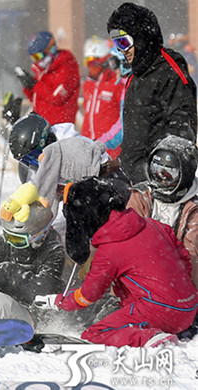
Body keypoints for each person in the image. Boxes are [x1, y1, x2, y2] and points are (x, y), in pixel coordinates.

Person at [35, 177, 198, 347]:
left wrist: (57, 301)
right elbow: (184, 257)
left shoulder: (110, 250)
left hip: (162, 312)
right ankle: (151, 325)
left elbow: (88, 296)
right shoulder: (152, 224)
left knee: (94, 334)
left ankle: (149, 337)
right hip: (190, 306)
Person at [107, 2, 197, 183]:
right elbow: (137, 132)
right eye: (117, 43)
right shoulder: (138, 73)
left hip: (159, 183)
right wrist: (123, 162)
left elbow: (182, 132)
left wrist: (159, 176)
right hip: (135, 178)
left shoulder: (169, 71)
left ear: (141, 38)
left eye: (124, 42)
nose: (121, 50)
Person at [127, 135, 198, 287]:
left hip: (179, 282)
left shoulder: (193, 207)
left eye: (169, 174)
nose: (162, 179)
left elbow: (191, 254)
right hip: (138, 276)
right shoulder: (141, 195)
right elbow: (127, 239)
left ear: (185, 173)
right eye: (157, 171)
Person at [14, 31, 80, 125]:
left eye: (38, 55)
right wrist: (28, 86)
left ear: (50, 49)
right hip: (43, 124)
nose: (37, 60)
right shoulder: (42, 70)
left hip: (60, 127)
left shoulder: (66, 66)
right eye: (34, 57)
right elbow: (37, 99)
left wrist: (34, 84)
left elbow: (57, 97)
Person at [81, 36, 124, 160]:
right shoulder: (88, 84)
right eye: (87, 63)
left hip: (110, 148)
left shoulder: (115, 83)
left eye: (94, 63)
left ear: (104, 62)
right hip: (89, 145)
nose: (90, 68)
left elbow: (121, 118)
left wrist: (108, 142)